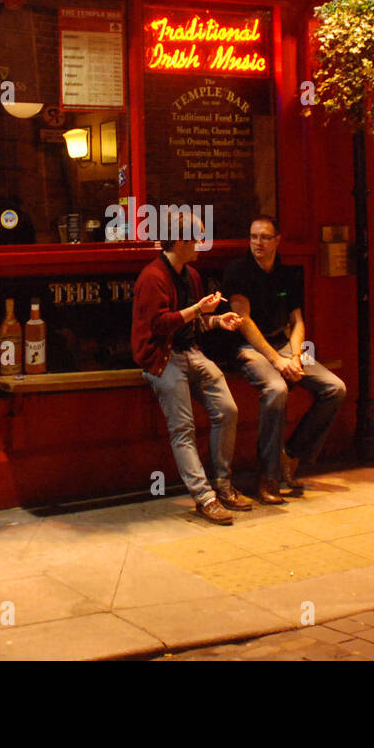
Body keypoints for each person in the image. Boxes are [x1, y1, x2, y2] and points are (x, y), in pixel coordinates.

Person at [132, 211, 246, 525]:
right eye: (196, 239)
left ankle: (222, 483)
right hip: (162, 358)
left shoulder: (191, 275)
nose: (200, 245)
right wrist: (198, 308)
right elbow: (158, 325)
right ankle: (204, 497)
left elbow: (191, 324)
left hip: (190, 352)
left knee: (228, 409)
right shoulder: (153, 277)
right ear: (180, 241)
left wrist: (216, 321)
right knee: (183, 430)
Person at [223, 215, 347, 501]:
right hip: (249, 348)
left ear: (278, 240)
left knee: (335, 388)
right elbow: (243, 321)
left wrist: (294, 355)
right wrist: (278, 362)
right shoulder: (238, 271)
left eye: (265, 237)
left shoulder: (288, 274)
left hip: (283, 346)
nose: (258, 243)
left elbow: (297, 321)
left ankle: (291, 454)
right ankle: (267, 477)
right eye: (253, 237)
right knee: (277, 389)